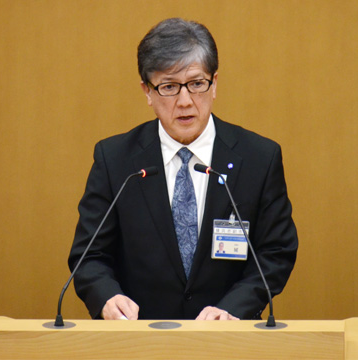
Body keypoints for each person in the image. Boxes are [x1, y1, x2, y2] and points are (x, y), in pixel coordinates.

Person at [68, 18, 298, 321]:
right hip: (139, 336)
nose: (185, 101)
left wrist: (233, 309)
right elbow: (89, 256)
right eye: (169, 87)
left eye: (197, 84)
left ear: (214, 84)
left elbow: (275, 252)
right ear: (147, 91)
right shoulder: (116, 160)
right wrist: (107, 297)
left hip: (227, 336)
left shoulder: (259, 158)